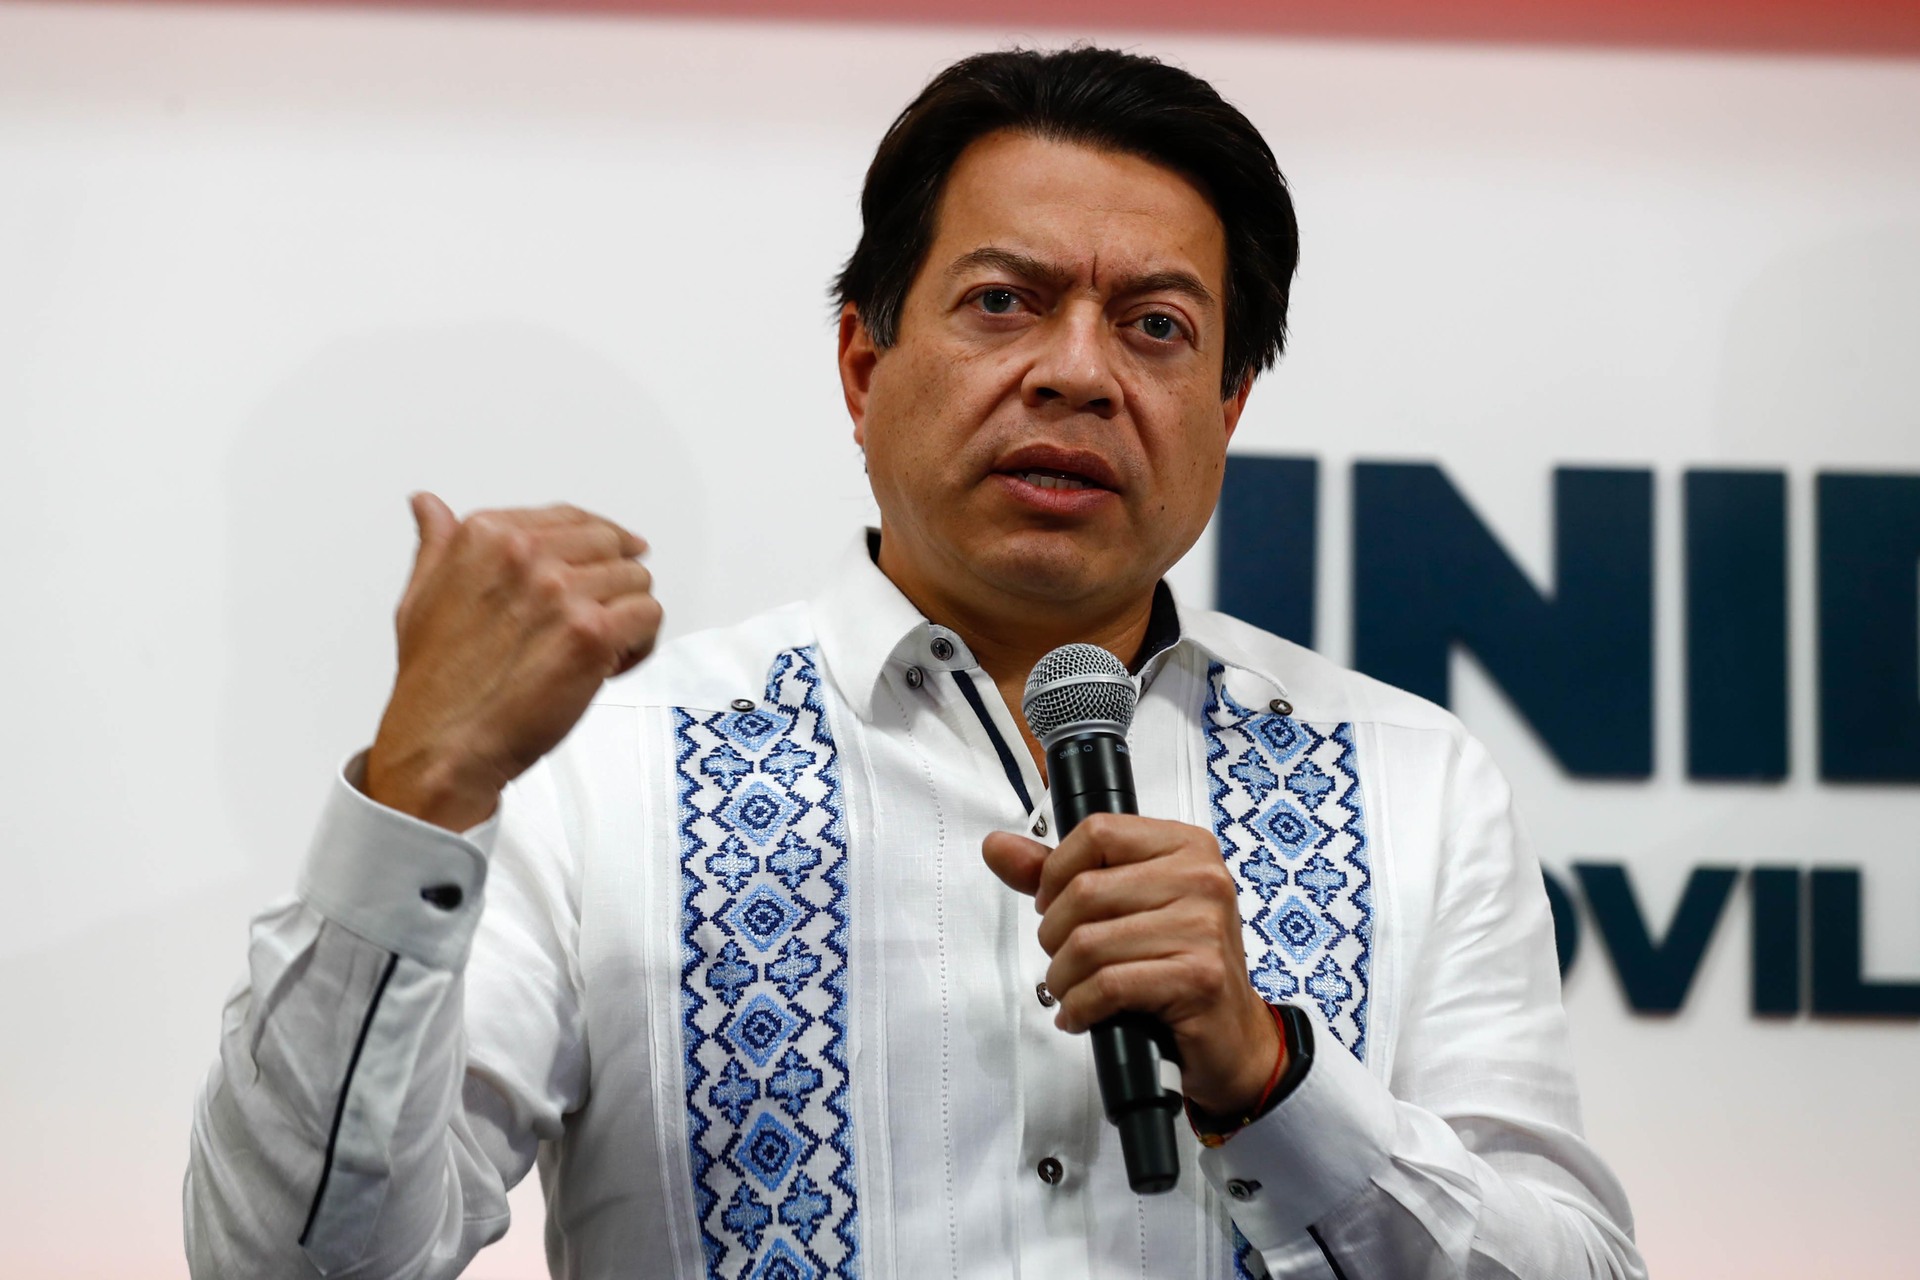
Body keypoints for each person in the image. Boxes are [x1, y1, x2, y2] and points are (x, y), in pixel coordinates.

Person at [186, 46, 1644, 1280]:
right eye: (1004, 302)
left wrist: (1273, 1076)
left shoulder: (1408, 778)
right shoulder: (610, 763)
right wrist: (421, 794)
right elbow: (291, 1265)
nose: (1078, 372)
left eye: (1155, 327)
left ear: (1228, 406)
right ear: (864, 366)